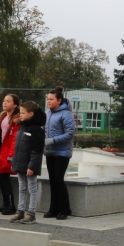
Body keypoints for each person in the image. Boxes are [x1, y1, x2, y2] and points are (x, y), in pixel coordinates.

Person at [10, 101, 46, 224]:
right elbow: (19, 147)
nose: (20, 115)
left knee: (32, 188)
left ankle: (31, 212)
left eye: (23, 113)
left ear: (31, 114)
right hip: (21, 163)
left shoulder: (37, 130)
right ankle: (20, 210)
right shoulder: (23, 127)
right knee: (22, 187)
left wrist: (32, 166)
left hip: (30, 165)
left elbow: (37, 151)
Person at [44, 87, 76, 220]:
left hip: (62, 152)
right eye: (47, 99)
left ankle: (65, 209)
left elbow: (70, 134)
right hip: (50, 152)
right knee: (52, 180)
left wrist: (52, 140)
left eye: (51, 99)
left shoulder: (66, 114)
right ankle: (53, 209)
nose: (48, 101)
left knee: (58, 179)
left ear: (59, 100)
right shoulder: (47, 113)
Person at [0, 93, 21, 215]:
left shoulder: (17, 119)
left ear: (15, 105)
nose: (5, 103)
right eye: (4, 101)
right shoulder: (3, 116)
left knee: (5, 178)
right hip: (1, 150)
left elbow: (15, 138)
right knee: (1, 177)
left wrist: (11, 154)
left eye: (8, 101)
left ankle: (10, 205)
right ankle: (5, 203)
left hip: (8, 151)